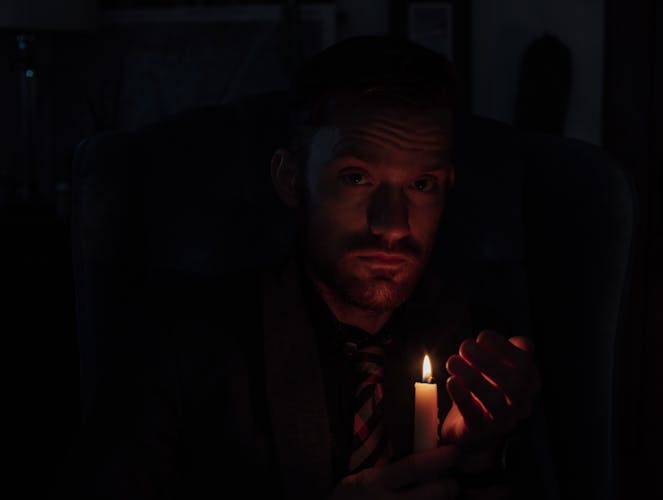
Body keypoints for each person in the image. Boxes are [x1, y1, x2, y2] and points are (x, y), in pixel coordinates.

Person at [54, 35, 547, 499]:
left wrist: (480, 456)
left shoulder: (478, 340)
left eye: (421, 185)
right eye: (356, 177)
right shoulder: (186, 343)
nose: (393, 226)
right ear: (291, 179)